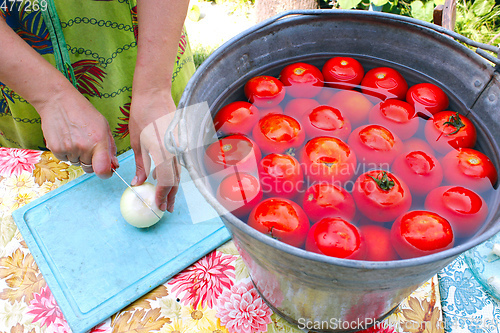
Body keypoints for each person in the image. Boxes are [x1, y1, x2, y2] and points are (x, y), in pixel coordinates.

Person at [0, 0, 196, 213]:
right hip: (16, 77)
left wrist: (154, 88)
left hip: (154, 48)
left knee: (207, 195)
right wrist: (50, 97)